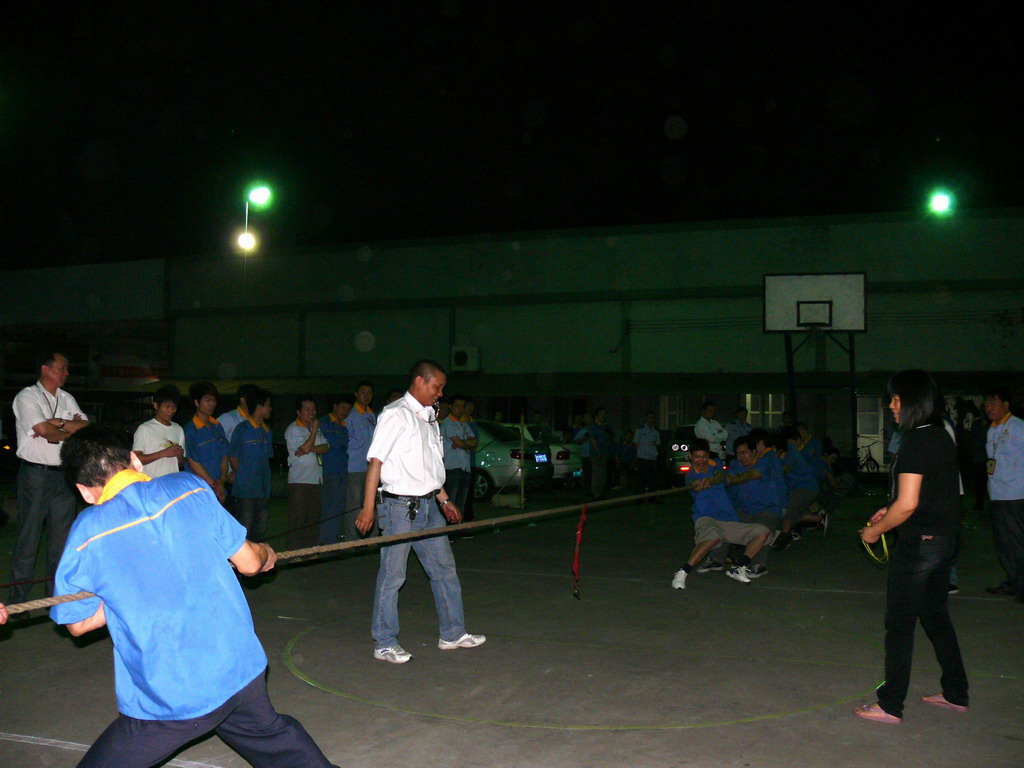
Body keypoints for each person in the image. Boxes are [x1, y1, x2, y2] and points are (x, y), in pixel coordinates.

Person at [50, 426, 338, 767]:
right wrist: (265, 551)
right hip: (238, 670)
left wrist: (122, 589)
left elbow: (79, 623)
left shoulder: (87, 534)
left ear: (84, 491)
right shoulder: (188, 487)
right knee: (270, 735)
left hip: (173, 695)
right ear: (135, 462)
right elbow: (250, 563)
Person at [855, 369, 968, 724]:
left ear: (913, 401)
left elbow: (908, 504)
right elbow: (926, 492)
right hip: (943, 541)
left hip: (920, 544)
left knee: (899, 622)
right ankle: (956, 693)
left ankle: (890, 704)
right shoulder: (940, 435)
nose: (891, 406)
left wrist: (876, 531)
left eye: (896, 399)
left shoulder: (917, 441)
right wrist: (889, 508)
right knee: (935, 615)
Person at [355, 360, 485, 664]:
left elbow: (428, 469)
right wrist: (368, 507)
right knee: (393, 576)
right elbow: (376, 462)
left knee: (444, 570)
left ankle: (452, 633)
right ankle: (384, 642)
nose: (440, 393)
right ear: (419, 382)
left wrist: (445, 500)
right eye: (437, 387)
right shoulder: (395, 414)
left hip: (429, 506)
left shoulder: (429, 417)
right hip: (399, 508)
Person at [9, 351, 89, 606]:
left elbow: (85, 428)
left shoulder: (66, 398)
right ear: (45, 368)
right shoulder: (27, 396)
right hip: (36, 474)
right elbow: (44, 431)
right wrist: (63, 428)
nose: (66, 373)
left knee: (61, 542)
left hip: (64, 475)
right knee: (29, 538)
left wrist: (59, 424)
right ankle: (18, 601)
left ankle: (54, 599)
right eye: (62, 368)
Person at [671, 439, 770, 589]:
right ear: (690, 456)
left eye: (704, 456)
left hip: (727, 519)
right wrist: (696, 484)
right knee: (713, 538)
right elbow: (693, 483)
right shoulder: (690, 475)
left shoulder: (716, 464)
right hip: (706, 518)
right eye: (697, 457)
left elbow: (720, 475)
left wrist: (711, 480)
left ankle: (739, 567)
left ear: (708, 455)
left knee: (762, 531)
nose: (701, 461)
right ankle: (682, 572)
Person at [982, 387, 1024, 601]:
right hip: (997, 493)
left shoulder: (1018, 427)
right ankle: (1014, 581)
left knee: (1017, 541)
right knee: (1003, 543)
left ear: (1006, 405)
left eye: (993, 402)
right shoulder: (992, 430)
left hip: (1016, 493)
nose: (988, 407)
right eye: (986, 403)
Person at [228, 387, 274, 541]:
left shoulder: (267, 431)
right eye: (268, 405)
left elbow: (266, 459)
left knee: (260, 530)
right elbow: (232, 457)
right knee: (245, 531)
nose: (270, 409)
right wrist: (244, 477)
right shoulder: (242, 429)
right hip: (246, 491)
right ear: (259, 407)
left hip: (263, 490)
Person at [285, 396, 329, 550]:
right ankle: (294, 553)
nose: (312, 413)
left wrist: (310, 448)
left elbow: (326, 447)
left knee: (313, 518)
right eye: (307, 410)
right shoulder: (293, 429)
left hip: (316, 480)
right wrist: (314, 432)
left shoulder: (313, 428)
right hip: (300, 481)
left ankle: (310, 550)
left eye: (314, 409)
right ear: (298, 412)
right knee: (298, 519)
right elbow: (305, 448)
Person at [183, 380, 229, 504]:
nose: (212, 404)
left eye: (214, 401)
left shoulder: (217, 426)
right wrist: (215, 487)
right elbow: (194, 463)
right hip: (198, 492)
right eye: (207, 401)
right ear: (197, 402)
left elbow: (224, 455)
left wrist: (222, 480)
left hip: (219, 488)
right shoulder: (190, 431)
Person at [319, 393, 353, 544]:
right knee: (327, 507)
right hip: (328, 471)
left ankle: (331, 540)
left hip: (342, 471)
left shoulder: (344, 427)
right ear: (334, 407)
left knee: (338, 508)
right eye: (342, 408)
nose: (345, 412)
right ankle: (323, 541)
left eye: (348, 409)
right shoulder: (324, 424)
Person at [132, 385, 186, 479]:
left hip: (171, 482)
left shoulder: (178, 429)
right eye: (167, 406)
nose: (171, 410)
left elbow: (181, 463)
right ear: (156, 405)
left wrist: (180, 456)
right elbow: (136, 459)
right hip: (150, 482)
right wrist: (163, 453)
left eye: (174, 407)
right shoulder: (145, 429)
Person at [346, 380, 377, 530]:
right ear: (356, 394)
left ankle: (368, 536)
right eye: (363, 392)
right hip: (355, 467)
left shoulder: (372, 415)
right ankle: (353, 537)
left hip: (371, 467)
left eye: (369, 393)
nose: (366, 395)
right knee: (355, 505)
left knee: (369, 503)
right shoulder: (350, 415)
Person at [441, 395, 478, 515]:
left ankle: (458, 524)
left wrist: (462, 443)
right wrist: (464, 443)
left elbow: (474, 441)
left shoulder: (464, 423)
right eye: (457, 406)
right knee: (451, 502)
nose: (460, 409)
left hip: (465, 466)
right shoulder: (447, 423)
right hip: (452, 467)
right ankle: (451, 525)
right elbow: (459, 443)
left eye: (462, 406)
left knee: (461, 502)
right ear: (451, 407)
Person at [634, 411, 661, 500]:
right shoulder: (640, 430)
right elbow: (636, 443)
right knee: (641, 479)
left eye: (652, 418)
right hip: (643, 457)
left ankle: (652, 498)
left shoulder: (656, 431)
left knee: (652, 480)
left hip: (653, 458)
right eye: (649, 418)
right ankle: (639, 499)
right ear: (646, 418)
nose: (650, 420)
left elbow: (658, 444)